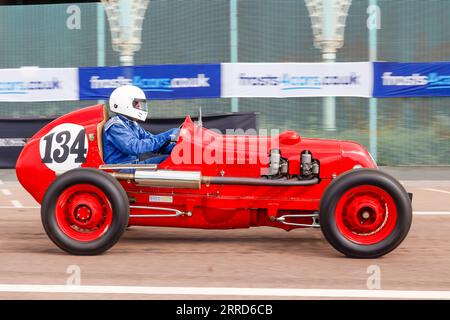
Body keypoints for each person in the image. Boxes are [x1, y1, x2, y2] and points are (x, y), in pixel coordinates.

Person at [102, 85, 179, 165]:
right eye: (136, 103)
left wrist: (176, 149)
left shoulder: (132, 124)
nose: (139, 106)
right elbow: (135, 147)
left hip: (131, 166)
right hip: (119, 168)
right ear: (123, 103)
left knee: (173, 159)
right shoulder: (115, 126)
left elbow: (151, 141)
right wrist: (168, 135)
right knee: (168, 162)